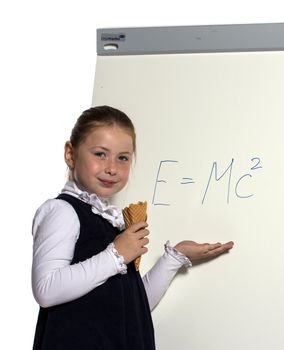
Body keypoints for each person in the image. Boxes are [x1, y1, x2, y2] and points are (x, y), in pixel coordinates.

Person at [31, 105, 234, 350]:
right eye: (100, 154)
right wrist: (115, 254)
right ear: (70, 154)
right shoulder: (63, 211)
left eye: (123, 158)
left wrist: (175, 257)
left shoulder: (111, 223)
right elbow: (46, 290)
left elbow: (132, 305)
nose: (112, 168)